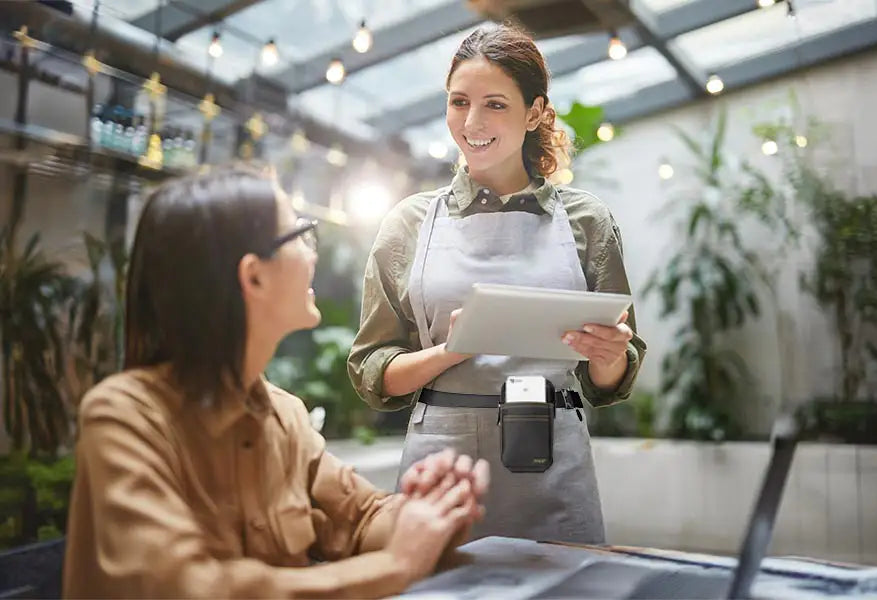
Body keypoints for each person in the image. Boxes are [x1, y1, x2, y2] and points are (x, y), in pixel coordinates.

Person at [63, 164, 490, 599]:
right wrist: (394, 566)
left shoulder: (284, 416)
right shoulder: (124, 418)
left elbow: (362, 518)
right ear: (253, 276)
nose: (313, 254)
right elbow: (186, 587)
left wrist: (432, 510)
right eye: (298, 236)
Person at [348, 25, 647, 545]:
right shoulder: (409, 224)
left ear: (534, 112)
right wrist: (451, 351)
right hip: (439, 473)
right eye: (458, 102)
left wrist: (608, 353)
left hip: (554, 467)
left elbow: (610, 380)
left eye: (494, 105)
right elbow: (373, 372)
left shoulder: (587, 221)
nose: (472, 123)